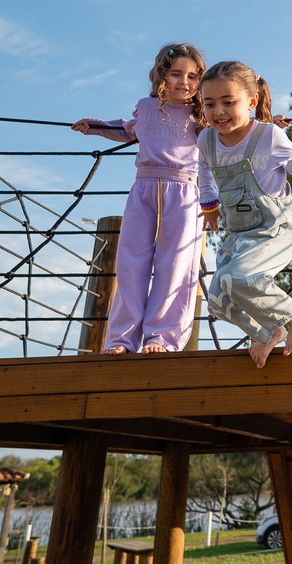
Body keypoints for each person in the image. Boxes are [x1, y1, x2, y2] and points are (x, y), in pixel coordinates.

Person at [197, 61, 292, 367]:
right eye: (209, 103)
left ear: (251, 102)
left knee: (236, 278)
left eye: (228, 102)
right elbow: (204, 173)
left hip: (275, 229)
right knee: (217, 300)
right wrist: (210, 207)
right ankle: (268, 332)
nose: (218, 112)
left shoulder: (267, 136)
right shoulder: (207, 141)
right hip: (239, 235)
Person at [73, 43, 209, 354]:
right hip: (143, 190)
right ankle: (122, 339)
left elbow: (236, 126)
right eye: (176, 74)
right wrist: (94, 127)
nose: (184, 83)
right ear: (162, 75)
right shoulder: (147, 107)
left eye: (192, 76)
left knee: (175, 265)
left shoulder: (203, 114)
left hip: (185, 193)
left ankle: (161, 337)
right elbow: (126, 129)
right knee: (130, 263)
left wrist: (268, 118)